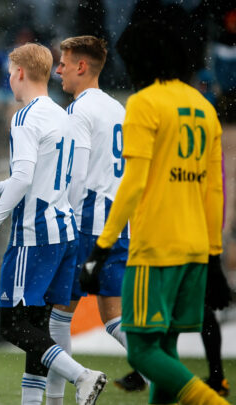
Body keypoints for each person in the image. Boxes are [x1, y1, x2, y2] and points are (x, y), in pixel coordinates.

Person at [80, 17, 229, 405]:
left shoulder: (145, 103)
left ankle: (213, 402)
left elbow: (133, 182)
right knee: (166, 347)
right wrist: (213, 254)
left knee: (142, 351)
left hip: (156, 248)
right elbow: (215, 189)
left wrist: (102, 246)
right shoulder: (204, 107)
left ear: (141, 60)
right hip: (195, 248)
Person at [0, 43, 106, 405]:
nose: (9, 78)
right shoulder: (62, 115)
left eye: (10, 71)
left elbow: (22, 179)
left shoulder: (25, 116)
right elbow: (47, 180)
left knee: (14, 325)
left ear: (20, 72)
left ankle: (81, 375)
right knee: (35, 328)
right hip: (63, 232)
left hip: (34, 235)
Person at [43, 35, 131, 404]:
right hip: (118, 223)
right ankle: (163, 366)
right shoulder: (119, 109)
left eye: (63, 63)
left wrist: (62, 215)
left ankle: (58, 399)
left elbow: (76, 175)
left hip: (86, 223)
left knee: (57, 317)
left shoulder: (79, 110)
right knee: (114, 318)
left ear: (81, 66)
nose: (58, 70)